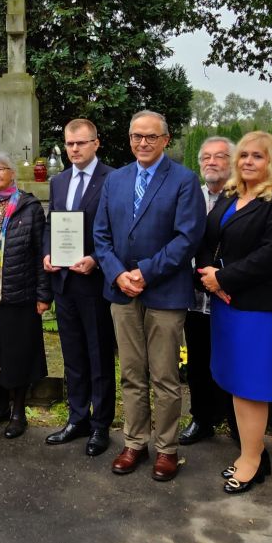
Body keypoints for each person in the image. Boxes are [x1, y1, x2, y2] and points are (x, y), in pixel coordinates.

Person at [93, 110, 205, 481]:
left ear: (166, 140)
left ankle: (167, 449)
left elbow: (187, 238)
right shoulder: (116, 179)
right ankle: (135, 442)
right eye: (136, 136)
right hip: (122, 291)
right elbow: (101, 235)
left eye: (151, 136)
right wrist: (117, 273)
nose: (143, 142)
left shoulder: (184, 180)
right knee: (130, 373)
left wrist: (146, 272)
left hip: (165, 293)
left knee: (165, 377)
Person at [195, 131, 272, 494]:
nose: (247, 162)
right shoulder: (231, 196)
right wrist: (209, 277)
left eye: (257, 156)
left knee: (252, 386)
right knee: (236, 381)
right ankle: (251, 452)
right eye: (243, 155)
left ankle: (252, 461)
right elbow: (208, 240)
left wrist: (223, 278)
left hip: (263, 308)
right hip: (228, 304)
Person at [42, 119, 115, 456]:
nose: (74, 149)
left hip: (94, 281)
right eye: (69, 144)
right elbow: (51, 223)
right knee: (72, 355)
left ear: (96, 143)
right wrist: (47, 253)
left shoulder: (113, 179)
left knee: (98, 355)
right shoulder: (58, 181)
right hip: (64, 281)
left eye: (81, 143)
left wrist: (97, 259)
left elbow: (118, 229)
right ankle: (77, 418)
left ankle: (100, 425)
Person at [0, 152, 51, 439]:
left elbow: (40, 253)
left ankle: (18, 412)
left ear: (12, 173)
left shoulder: (29, 207)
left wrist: (43, 295)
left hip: (20, 295)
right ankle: (1, 406)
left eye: (0, 169)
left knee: (18, 355)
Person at [180, 136, 238, 446]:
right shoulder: (191, 197)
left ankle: (237, 423)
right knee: (198, 361)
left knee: (232, 360)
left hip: (231, 296)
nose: (211, 162)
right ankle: (202, 418)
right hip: (194, 297)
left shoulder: (244, 199)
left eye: (219, 156)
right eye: (206, 157)